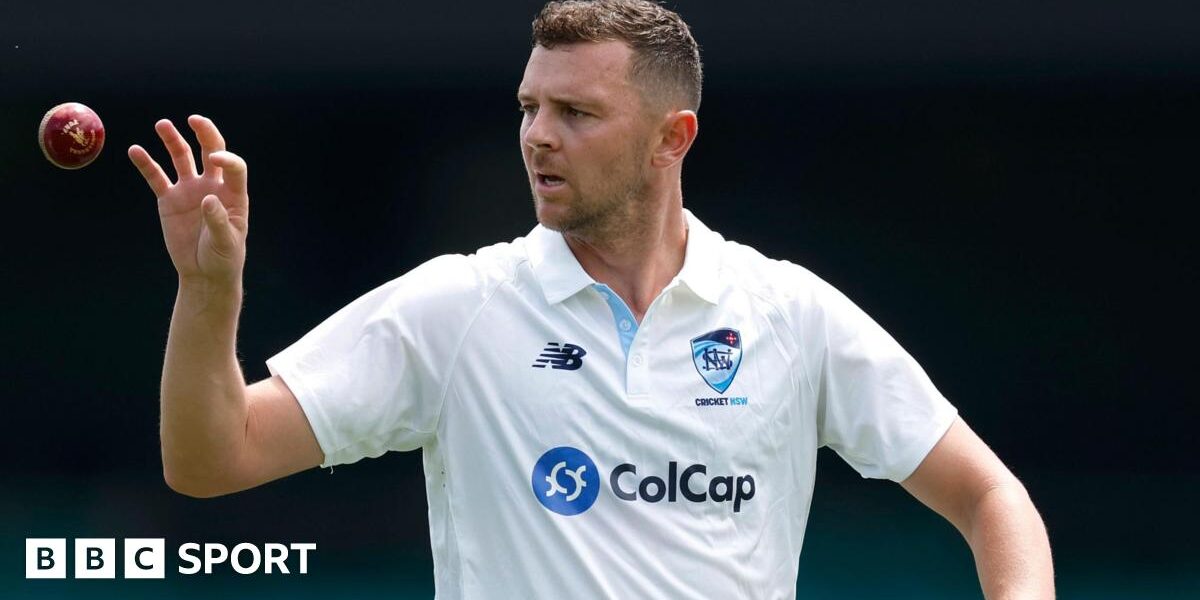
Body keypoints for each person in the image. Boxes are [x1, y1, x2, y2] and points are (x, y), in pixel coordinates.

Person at [128, 0, 1054, 597]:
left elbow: (990, 496)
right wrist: (208, 291)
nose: (538, 136)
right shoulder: (458, 308)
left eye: (576, 113)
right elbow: (213, 459)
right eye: (529, 108)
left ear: (671, 138)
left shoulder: (787, 312)